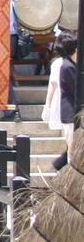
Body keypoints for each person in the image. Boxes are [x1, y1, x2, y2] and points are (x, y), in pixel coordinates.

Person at [42, 33, 78, 171]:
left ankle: (60, 164)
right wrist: (48, 105)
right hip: (68, 109)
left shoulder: (71, 64)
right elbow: (53, 84)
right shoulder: (66, 65)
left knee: (72, 145)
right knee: (71, 145)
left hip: (68, 107)